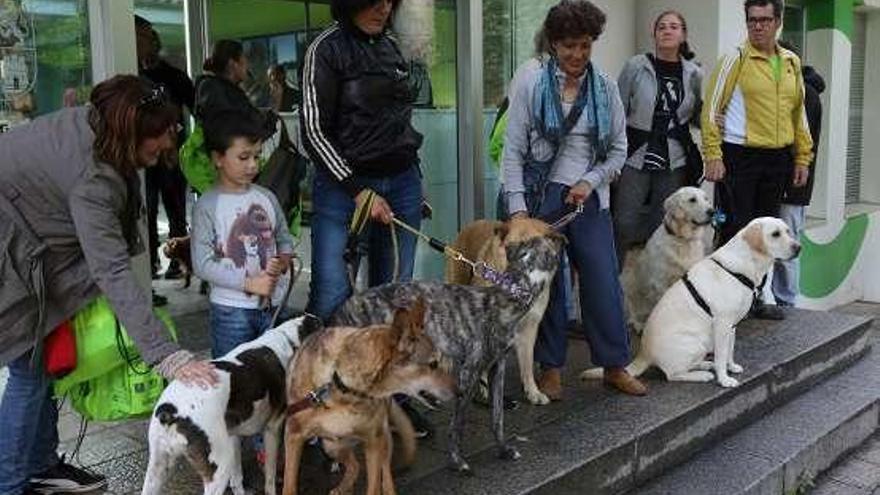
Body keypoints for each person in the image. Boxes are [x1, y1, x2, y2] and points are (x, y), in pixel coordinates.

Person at [0, 75, 217, 495]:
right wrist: (167, 357)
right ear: (126, 131)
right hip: (8, 252)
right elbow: (112, 270)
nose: (165, 146)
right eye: (155, 138)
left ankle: (42, 466)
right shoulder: (93, 177)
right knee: (28, 371)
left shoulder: (98, 127)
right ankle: (9, 484)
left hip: (22, 237)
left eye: (167, 131)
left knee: (40, 363)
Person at [502, 0, 646, 399]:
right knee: (546, 286)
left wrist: (591, 179)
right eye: (568, 46)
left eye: (584, 45)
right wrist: (516, 210)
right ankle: (551, 368)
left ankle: (615, 364)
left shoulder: (605, 88)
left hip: (587, 197)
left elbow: (619, 148)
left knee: (602, 278)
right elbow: (513, 149)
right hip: (537, 196)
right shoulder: (531, 80)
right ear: (553, 44)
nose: (576, 55)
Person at [301, 0, 428, 435]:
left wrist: (416, 183)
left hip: (402, 181)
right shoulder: (325, 49)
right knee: (331, 298)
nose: (382, 8)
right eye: (372, 1)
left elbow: (400, 123)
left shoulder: (392, 47)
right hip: (343, 190)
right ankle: (319, 399)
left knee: (396, 299)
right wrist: (358, 190)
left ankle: (388, 400)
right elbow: (313, 133)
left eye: (389, 1)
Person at [702, 0, 813, 320]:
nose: (758, 26)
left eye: (765, 20)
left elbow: (799, 115)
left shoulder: (791, 61)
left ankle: (754, 299)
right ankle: (725, 301)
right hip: (740, 156)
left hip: (778, 158)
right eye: (752, 20)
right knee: (736, 230)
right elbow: (710, 111)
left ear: (778, 21)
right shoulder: (734, 59)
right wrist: (713, 154)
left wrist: (802, 158)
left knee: (768, 234)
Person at [191, 108, 294, 359]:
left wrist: (283, 260)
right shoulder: (207, 205)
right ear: (218, 158)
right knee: (233, 378)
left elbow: (283, 236)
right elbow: (202, 264)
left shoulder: (266, 197)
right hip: (230, 312)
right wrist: (249, 283)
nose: (252, 165)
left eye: (257, 156)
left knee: (275, 373)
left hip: (273, 308)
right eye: (243, 157)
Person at [612, 10, 703, 265]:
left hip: (674, 155)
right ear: (654, 34)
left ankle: (652, 273)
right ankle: (615, 273)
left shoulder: (694, 73)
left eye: (674, 26)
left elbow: (696, 116)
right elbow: (617, 111)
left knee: (662, 221)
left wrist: (714, 118)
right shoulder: (636, 66)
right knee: (624, 220)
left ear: (683, 34)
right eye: (662, 26)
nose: (667, 30)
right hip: (637, 151)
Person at [135, 15, 195, 290]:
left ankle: (178, 265)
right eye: (139, 36)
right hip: (140, 160)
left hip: (171, 157)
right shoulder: (131, 76)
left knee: (176, 211)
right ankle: (148, 270)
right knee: (143, 212)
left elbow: (198, 110)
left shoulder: (173, 76)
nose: (143, 42)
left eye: (146, 37)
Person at [772, 41, 824, 308]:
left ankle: (787, 303)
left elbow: (802, 145)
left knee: (787, 245)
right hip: (784, 184)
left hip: (792, 186)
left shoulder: (807, 96)